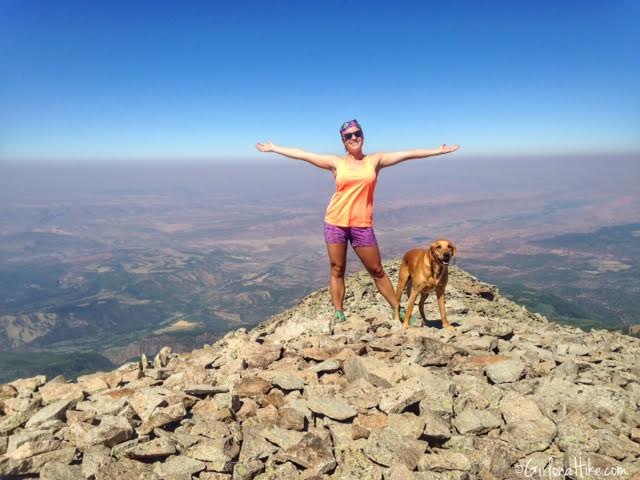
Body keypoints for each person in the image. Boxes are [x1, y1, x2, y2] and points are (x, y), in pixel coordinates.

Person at [256, 119, 459, 324]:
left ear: (362, 135)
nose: (353, 137)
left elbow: (408, 154)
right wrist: (275, 148)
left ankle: (397, 310)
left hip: (362, 225)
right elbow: (305, 155)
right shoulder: (337, 163)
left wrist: (437, 151)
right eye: (348, 136)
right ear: (343, 141)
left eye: (357, 133)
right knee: (337, 268)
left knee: (377, 270)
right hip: (335, 221)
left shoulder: (375, 160)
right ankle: (339, 311)